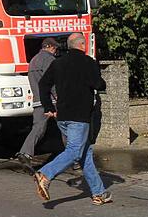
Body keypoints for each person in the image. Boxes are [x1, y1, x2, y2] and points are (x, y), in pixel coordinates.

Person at [32, 32, 112, 205]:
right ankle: (45, 174)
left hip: (62, 117)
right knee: (75, 151)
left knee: (85, 153)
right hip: (79, 116)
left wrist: (48, 106)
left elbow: (43, 84)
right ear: (82, 45)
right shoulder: (88, 63)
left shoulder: (57, 63)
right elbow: (98, 84)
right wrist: (101, 83)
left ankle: (99, 192)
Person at [15, 37, 60, 166]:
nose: (55, 51)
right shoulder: (49, 60)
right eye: (55, 48)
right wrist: (58, 96)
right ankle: (75, 156)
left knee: (37, 128)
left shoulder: (33, 60)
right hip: (51, 101)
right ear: (50, 46)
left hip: (37, 100)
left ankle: (25, 152)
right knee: (65, 127)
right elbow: (51, 82)